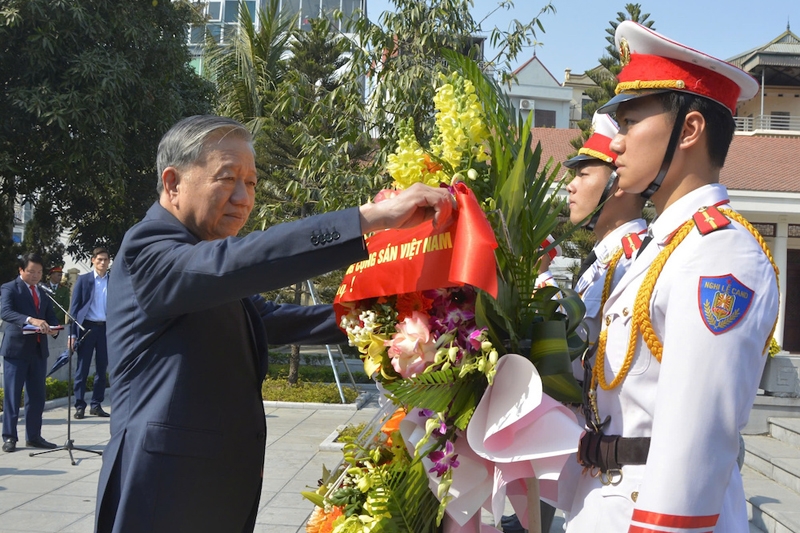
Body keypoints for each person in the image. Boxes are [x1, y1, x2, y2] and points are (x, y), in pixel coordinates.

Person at [93, 115, 457, 532]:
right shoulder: (148, 250)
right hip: (163, 493)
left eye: (251, 183)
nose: (243, 198)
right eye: (228, 178)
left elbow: (268, 321)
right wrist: (370, 219)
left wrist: (387, 317)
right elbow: (235, 262)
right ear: (173, 183)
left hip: (212, 490)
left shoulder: (205, 259)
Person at [565, 22, 779, 532]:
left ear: (689, 130)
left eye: (631, 122)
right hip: (604, 502)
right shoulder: (662, 247)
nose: (613, 145)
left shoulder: (719, 253)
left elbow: (694, 442)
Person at [1, 253, 60, 452]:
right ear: (21, 270)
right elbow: (5, 311)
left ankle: (34, 436)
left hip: (37, 350)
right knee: (13, 395)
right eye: (31, 272)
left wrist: (53, 329)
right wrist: (30, 320)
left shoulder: (42, 292)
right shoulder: (10, 288)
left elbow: (50, 316)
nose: (36, 276)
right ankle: (9, 437)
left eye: (39, 272)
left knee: (37, 396)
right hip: (16, 351)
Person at [68, 247, 111, 419]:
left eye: (105, 260)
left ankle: (96, 404)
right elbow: (74, 309)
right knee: (82, 369)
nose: (102, 262)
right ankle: (80, 405)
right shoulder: (84, 280)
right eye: (99, 259)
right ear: (93, 260)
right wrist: (72, 334)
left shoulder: (113, 281)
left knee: (102, 369)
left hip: (105, 329)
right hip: (87, 328)